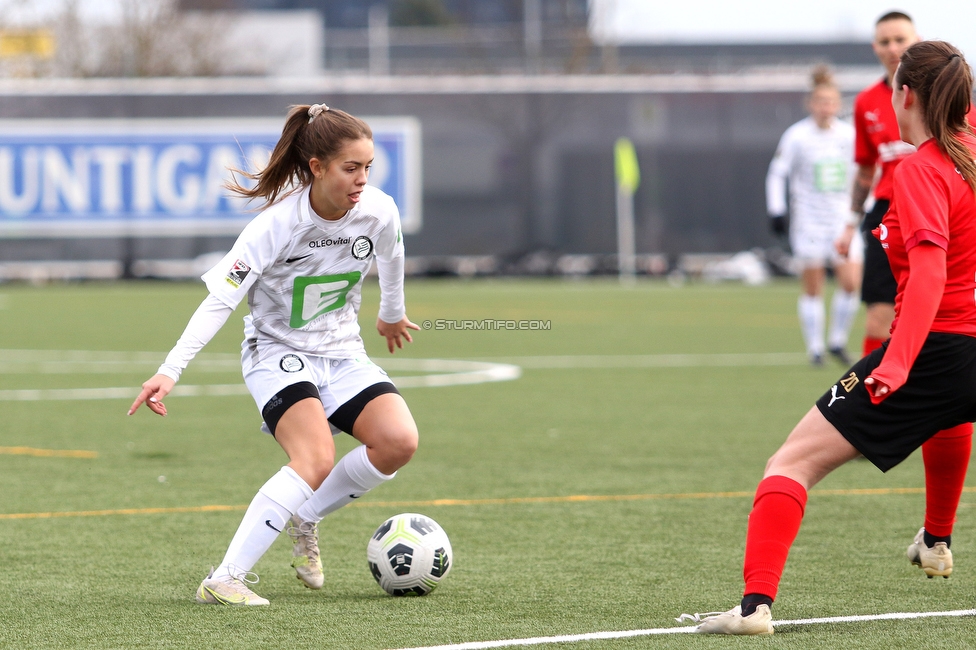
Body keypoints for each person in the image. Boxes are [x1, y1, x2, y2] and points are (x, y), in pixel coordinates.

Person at [684, 40, 976, 635]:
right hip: (963, 359)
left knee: (789, 463)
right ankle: (936, 541)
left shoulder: (921, 168)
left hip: (938, 348)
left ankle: (753, 608)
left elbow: (929, 274)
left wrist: (895, 364)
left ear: (906, 95)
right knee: (950, 412)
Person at [128, 103, 420, 606]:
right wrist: (168, 370)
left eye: (368, 167)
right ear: (317, 167)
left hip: (343, 352)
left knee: (398, 442)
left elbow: (392, 255)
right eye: (351, 168)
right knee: (315, 458)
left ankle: (306, 515)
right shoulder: (276, 225)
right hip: (278, 353)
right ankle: (224, 578)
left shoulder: (379, 208)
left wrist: (391, 313)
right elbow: (221, 300)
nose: (362, 179)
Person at [835, 9, 973, 582]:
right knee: (891, 317)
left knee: (937, 352)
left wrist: (895, 365)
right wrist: (849, 224)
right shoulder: (867, 104)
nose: (892, 47)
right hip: (893, 225)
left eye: (901, 40)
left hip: (935, 229)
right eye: (884, 41)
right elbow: (865, 169)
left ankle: (881, 395)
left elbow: (934, 273)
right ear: (875, 49)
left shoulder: (941, 132)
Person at [766, 65, 862, 366]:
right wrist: (776, 210)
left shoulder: (849, 135)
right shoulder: (796, 136)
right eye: (820, 101)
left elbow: (864, 172)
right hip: (809, 220)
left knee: (850, 283)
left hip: (842, 221)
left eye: (831, 102)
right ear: (810, 104)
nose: (826, 108)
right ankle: (815, 348)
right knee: (813, 285)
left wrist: (862, 209)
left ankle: (837, 340)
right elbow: (776, 173)